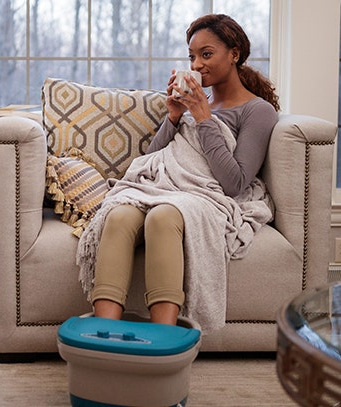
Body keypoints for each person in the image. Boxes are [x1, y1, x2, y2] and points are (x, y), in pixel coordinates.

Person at [77, 14, 279, 329]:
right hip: (162, 186)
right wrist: (174, 116)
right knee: (118, 215)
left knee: (163, 216)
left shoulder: (257, 111)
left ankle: (163, 338)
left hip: (205, 196)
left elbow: (234, 182)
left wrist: (203, 116)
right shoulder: (196, 105)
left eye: (206, 54)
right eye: (192, 56)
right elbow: (155, 159)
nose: (196, 64)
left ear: (235, 54)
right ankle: (105, 334)